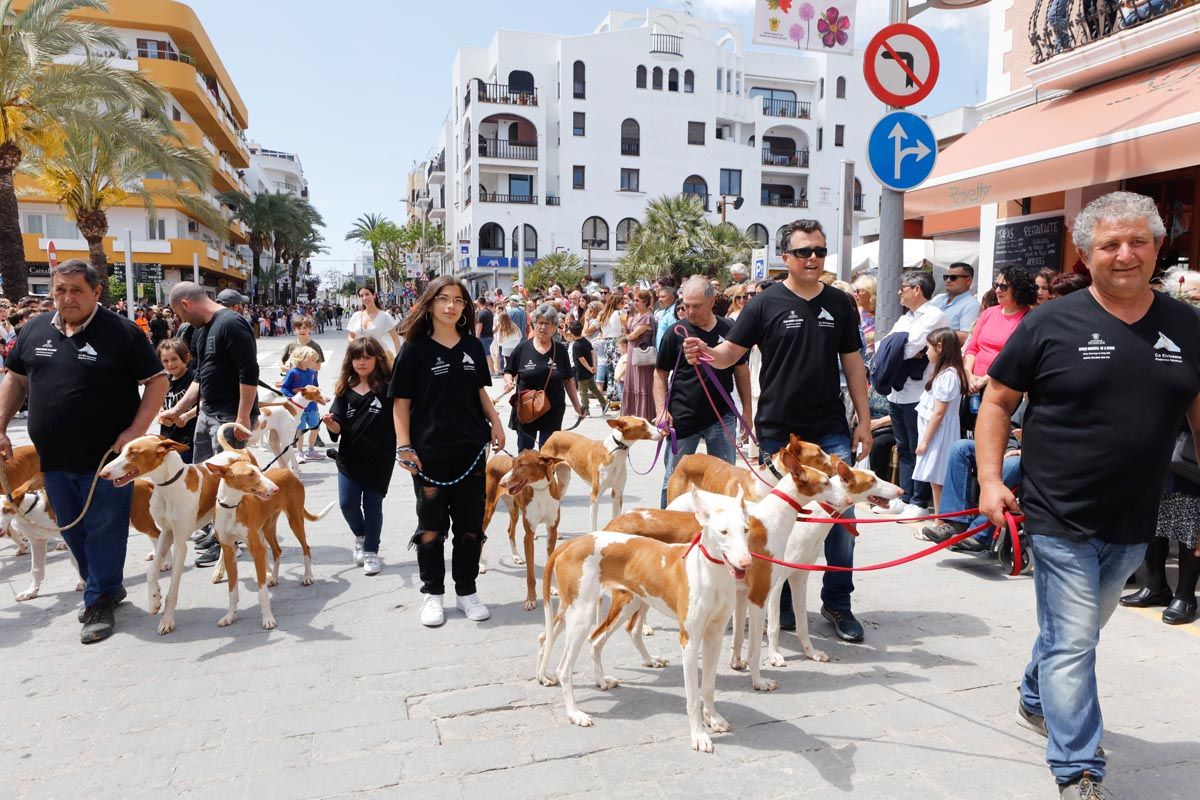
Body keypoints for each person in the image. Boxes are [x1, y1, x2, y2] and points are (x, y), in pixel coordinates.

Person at [978, 192, 1200, 799]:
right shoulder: (1050, 322)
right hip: (1055, 515)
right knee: (1075, 640)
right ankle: (1078, 769)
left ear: (1158, 248)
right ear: (1086, 251)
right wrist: (992, 480)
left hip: (1135, 520)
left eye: (1138, 242)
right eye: (1109, 244)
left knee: (1074, 633)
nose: (1124, 254)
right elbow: (997, 402)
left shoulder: (1188, 326)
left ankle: (1033, 691)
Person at [683, 219, 872, 643]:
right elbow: (730, 353)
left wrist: (863, 420)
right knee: (775, 522)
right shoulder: (765, 303)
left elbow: (854, 364)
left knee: (842, 517)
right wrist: (705, 354)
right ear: (784, 257)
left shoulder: (841, 303)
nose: (813, 259)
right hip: (778, 435)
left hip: (830, 432)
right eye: (804, 252)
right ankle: (782, 605)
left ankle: (838, 603)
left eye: (820, 252)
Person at [0, 260, 167, 644]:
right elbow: (16, 379)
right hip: (53, 459)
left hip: (107, 459)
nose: (67, 297)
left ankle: (98, 601)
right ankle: (105, 587)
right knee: (72, 530)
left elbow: (157, 381)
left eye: (76, 289)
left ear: (96, 292)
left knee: (105, 530)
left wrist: (136, 431)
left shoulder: (122, 332)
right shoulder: (34, 330)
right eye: (60, 289)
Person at [390, 276, 505, 627]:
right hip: (428, 454)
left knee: (471, 527)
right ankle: (432, 594)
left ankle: (467, 591)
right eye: (443, 299)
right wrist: (404, 446)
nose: (451, 306)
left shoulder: (471, 345)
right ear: (430, 303)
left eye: (457, 300)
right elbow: (401, 403)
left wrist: (496, 422)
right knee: (431, 528)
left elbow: (480, 391)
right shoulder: (414, 348)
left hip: (471, 451)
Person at [160, 282, 260, 568]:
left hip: (230, 418)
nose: (178, 320)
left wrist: (242, 418)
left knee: (230, 481)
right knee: (207, 479)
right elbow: (200, 377)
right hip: (207, 414)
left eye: (177, 313)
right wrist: (179, 410)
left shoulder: (231, 323)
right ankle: (214, 531)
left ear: (186, 305)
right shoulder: (201, 330)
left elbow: (248, 371)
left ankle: (231, 541)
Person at [655, 275, 752, 507]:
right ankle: (665, 528)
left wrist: (747, 410)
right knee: (674, 481)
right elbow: (659, 373)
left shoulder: (730, 328)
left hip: (721, 417)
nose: (690, 311)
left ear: (712, 301)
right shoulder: (676, 332)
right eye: (685, 306)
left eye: (696, 306)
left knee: (726, 480)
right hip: (683, 417)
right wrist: (661, 410)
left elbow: (741, 370)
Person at [877, 271, 948, 516]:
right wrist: (895, 345)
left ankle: (919, 501)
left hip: (919, 392)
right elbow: (884, 345)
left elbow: (908, 348)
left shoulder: (933, 315)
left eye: (903, 287)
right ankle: (905, 498)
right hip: (898, 392)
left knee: (919, 447)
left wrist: (897, 345)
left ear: (917, 289)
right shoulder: (906, 318)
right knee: (904, 446)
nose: (899, 292)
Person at [323, 337, 395, 576]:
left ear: (377, 359)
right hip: (349, 458)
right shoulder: (344, 390)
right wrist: (331, 424)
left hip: (380, 457)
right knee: (347, 504)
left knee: (373, 504)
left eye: (367, 357)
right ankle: (361, 536)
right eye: (356, 357)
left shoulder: (388, 387)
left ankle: (372, 551)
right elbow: (337, 429)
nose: (361, 362)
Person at [504, 304, 584, 451]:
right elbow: (509, 370)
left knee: (548, 455)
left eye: (547, 323)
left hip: (552, 410)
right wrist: (509, 382)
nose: (543, 327)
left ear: (554, 327)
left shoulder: (560, 350)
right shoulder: (523, 348)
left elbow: (568, 379)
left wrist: (577, 405)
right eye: (540, 323)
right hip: (527, 409)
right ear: (534, 324)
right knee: (525, 454)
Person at [964, 264, 1037, 402]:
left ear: (1018, 289)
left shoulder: (1028, 319)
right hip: (973, 385)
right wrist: (969, 374)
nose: (997, 290)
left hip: (1002, 388)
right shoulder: (988, 313)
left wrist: (984, 380)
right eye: (995, 285)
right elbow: (972, 348)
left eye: (1003, 287)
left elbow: (1016, 360)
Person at [912, 328, 965, 514]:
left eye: (929, 348)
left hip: (940, 433)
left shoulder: (948, 376)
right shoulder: (943, 374)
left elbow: (939, 412)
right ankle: (940, 518)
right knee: (936, 479)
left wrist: (925, 441)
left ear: (939, 347)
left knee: (939, 478)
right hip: (936, 431)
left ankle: (940, 519)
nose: (926, 352)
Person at [281, 346, 324, 462]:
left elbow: (315, 386)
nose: (315, 362)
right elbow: (285, 388)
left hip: (312, 406)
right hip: (299, 408)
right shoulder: (293, 373)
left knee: (315, 429)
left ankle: (311, 450)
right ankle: (299, 452)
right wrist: (291, 399)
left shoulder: (312, 372)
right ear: (303, 359)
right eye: (312, 360)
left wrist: (319, 396)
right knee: (300, 429)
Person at [157, 339, 196, 463]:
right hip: (168, 440)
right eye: (165, 361)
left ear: (186, 357)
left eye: (174, 359)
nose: (170, 364)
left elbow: (203, 403)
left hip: (189, 441)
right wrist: (161, 414)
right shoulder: (164, 381)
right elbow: (159, 402)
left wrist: (186, 416)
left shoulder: (194, 378)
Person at [621, 289, 657, 421]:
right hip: (632, 354)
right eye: (634, 300)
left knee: (642, 384)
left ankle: (645, 415)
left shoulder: (647, 317)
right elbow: (628, 334)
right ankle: (632, 412)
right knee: (632, 382)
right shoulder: (635, 316)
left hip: (642, 356)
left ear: (646, 302)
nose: (634, 303)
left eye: (637, 300)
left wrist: (626, 331)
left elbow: (632, 336)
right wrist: (625, 326)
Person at [929, 263, 980, 344]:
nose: (948, 280)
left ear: (968, 281)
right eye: (946, 277)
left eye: (953, 278)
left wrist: (931, 333)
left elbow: (966, 337)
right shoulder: (938, 298)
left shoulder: (971, 305)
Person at [567, 321, 609, 416]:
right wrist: (594, 366)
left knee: (583, 392)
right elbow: (593, 352)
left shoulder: (576, 345)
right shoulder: (586, 341)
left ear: (572, 333)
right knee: (594, 388)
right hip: (590, 370)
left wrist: (589, 368)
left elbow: (581, 359)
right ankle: (604, 403)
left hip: (582, 372)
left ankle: (585, 409)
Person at [347, 284, 402, 355]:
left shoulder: (385, 316)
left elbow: (396, 340)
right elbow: (350, 336)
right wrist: (359, 345)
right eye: (361, 296)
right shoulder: (356, 316)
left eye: (367, 294)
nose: (364, 298)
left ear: (374, 295)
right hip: (358, 354)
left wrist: (399, 360)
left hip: (378, 356)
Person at [851, 275, 878, 353]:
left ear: (870, 292)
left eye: (859, 291)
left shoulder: (881, 314)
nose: (855, 294)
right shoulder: (855, 313)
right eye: (854, 291)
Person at [475, 297, 495, 375]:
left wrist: (477, 337)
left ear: (479, 303)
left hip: (484, 337)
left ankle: (492, 371)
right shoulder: (489, 312)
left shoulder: (481, 313)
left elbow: (479, 326)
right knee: (484, 354)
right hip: (489, 335)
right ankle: (487, 370)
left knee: (487, 354)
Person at [654, 284, 677, 348]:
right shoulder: (664, 312)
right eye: (659, 297)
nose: (660, 300)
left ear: (672, 298)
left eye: (663, 297)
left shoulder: (673, 314)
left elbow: (674, 337)